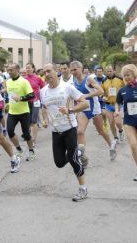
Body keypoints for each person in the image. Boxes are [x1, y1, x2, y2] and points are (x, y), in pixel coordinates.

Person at [40, 63, 89, 201]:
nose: (47, 74)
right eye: (44, 72)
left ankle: (83, 189)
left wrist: (70, 110)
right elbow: (44, 107)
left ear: (57, 72)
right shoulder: (43, 91)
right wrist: (44, 120)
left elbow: (85, 103)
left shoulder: (67, 87)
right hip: (55, 131)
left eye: (49, 71)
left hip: (69, 128)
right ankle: (79, 151)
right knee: (59, 163)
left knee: (73, 160)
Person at [70, 61, 117, 165]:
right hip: (83, 109)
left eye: (75, 69)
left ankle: (111, 146)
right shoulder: (74, 81)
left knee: (101, 131)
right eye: (72, 70)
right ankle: (83, 157)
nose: (73, 72)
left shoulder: (89, 80)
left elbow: (100, 91)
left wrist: (86, 96)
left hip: (94, 108)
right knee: (80, 132)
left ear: (81, 69)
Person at [5, 63, 36, 161]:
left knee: (26, 134)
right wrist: (7, 103)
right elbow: (10, 95)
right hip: (12, 112)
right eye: (8, 70)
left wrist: (21, 98)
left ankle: (31, 151)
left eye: (11, 70)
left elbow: (32, 95)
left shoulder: (24, 82)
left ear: (17, 70)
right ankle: (19, 149)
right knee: (10, 132)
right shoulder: (8, 82)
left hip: (24, 112)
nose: (9, 72)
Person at [101, 65, 125, 143]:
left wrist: (123, 96)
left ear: (114, 71)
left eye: (110, 71)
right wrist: (103, 96)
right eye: (107, 71)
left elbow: (126, 88)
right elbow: (101, 91)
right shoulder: (104, 81)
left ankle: (121, 131)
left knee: (118, 122)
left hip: (118, 104)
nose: (109, 72)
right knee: (111, 123)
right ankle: (115, 137)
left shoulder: (120, 79)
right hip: (108, 104)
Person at [24, 62, 45, 148]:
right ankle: (29, 137)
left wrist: (43, 100)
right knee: (27, 121)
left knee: (34, 120)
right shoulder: (24, 79)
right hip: (26, 102)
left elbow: (44, 89)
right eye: (26, 68)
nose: (27, 69)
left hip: (36, 101)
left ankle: (33, 139)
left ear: (33, 69)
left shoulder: (38, 78)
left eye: (29, 68)